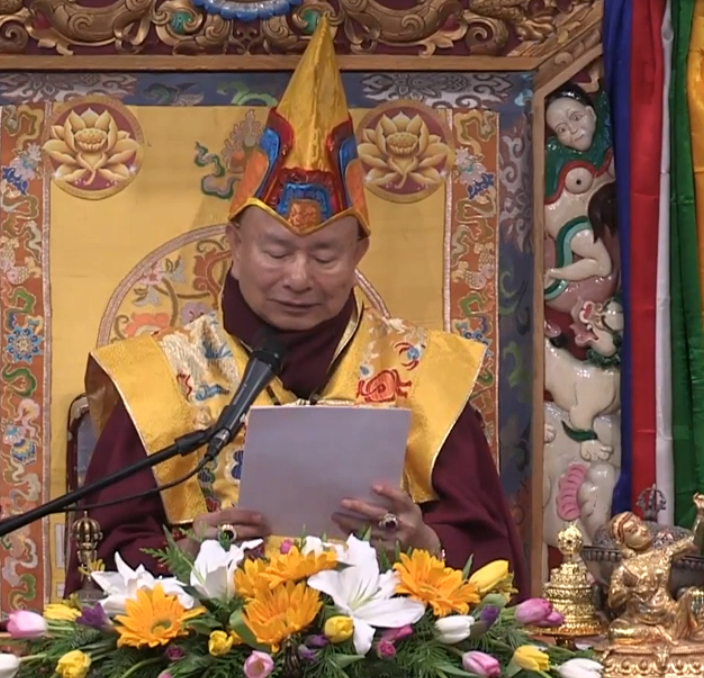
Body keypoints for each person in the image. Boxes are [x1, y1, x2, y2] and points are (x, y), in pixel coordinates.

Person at [64, 19, 526, 595]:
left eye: (325, 255)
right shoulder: (160, 377)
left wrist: (424, 544)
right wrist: (187, 557)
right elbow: (102, 560)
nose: (299, 278)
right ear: (234, 245)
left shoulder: (422, 372)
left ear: (358, 253)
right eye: (277, 252)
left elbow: (491, 554)